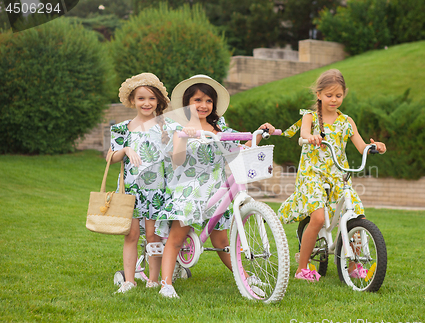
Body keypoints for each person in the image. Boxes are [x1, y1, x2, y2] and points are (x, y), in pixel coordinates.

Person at [156, 75, 275, 298]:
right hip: (189, 188)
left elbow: (236, 152)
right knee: (177, 236)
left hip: (216, 188)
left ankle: (246, 278)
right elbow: (177, 159)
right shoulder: (180, 126)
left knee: (221, 241)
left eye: (208, 101)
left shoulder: (219, 127)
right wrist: (184, 136)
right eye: (197, 100)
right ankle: (166, 284)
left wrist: (258, 134)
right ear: (187, 102)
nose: (203, 105)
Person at [278, 69, 386, 282]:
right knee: (317, 218)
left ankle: (354, 265)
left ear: (344, 94)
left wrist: (375, 147)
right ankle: (302, 268)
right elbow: (304, 134)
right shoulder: (310, 117)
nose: (334, 100)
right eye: (329, 95)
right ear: (319, 95)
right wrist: (312, 138)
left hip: (339, 175)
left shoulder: (347, 121)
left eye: (338, 95)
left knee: (356, 216)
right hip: (312, 174)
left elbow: (361, 146)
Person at [108, 73, 170, 293]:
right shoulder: (123, 128)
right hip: (131, 190)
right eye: (141, 98)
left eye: (152, 98)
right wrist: (125, 149)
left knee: (154, 235)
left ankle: (154, 279)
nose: (146, 103)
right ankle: (129, 280)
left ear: (158, 102)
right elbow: (110, 157)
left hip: (156, 189)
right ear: (133, 100)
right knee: (131, 234)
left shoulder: (165, 126)